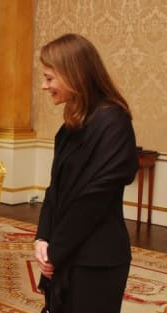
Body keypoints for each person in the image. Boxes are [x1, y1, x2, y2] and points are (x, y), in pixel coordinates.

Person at [34, 33, 138, 313]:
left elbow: (93, 200)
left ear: (73, 75)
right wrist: (42, 238)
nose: (44, 86)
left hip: (97, 259)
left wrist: (55, 252)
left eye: (49, 78)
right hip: (65, 250)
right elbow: (55, 188)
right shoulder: (72, 124)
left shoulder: (113, 121)